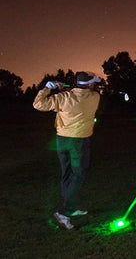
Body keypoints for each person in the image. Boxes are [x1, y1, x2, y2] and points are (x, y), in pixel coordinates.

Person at [33, 71, 100, 229]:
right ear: (89, 85)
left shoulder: (63, 97)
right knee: (78, 175)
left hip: (62, 140)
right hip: (79, 142)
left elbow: (38, 104)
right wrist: (63, 90)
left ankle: (70, 207)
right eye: (93, 83)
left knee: (67, 174)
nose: (95, 85)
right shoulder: (95, 97)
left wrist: (49, 87)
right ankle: (63, 212)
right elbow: (82, 94)